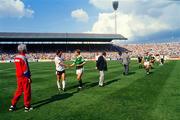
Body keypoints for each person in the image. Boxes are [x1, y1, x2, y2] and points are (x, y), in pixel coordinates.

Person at [9, 44, 33, 112]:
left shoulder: (16, 57)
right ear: (23, 50)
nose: (26, 49)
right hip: (24, 77)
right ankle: (27, 106)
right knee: (27, 91)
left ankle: (12, 105)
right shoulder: (23, 57)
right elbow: (25, 69)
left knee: (18, 91)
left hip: (19, 77)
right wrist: (28, 77)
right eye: (25, 48)